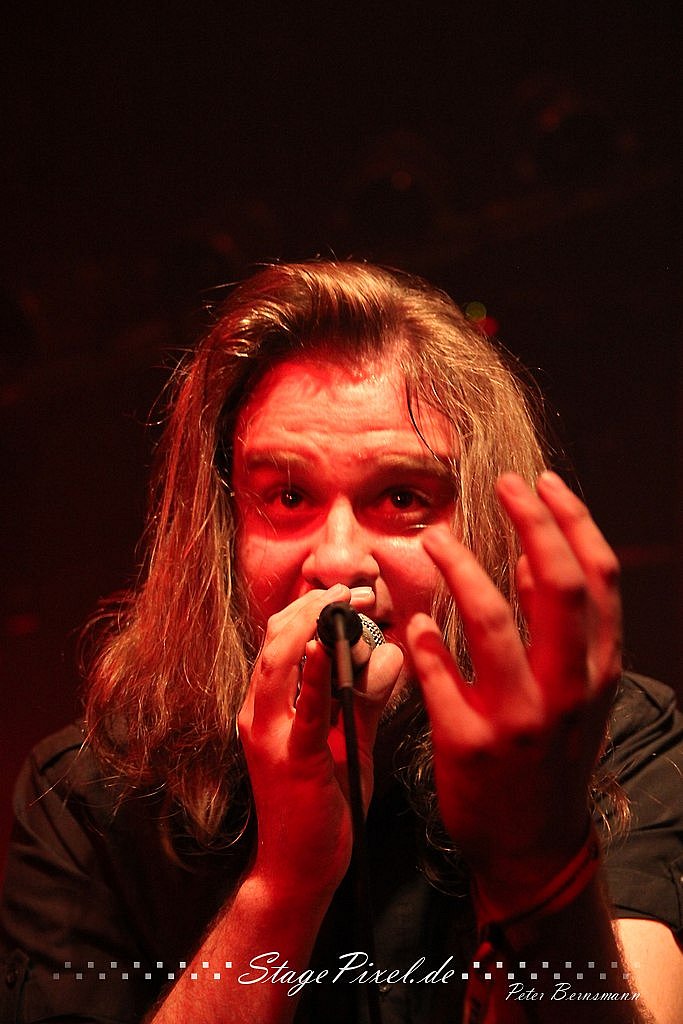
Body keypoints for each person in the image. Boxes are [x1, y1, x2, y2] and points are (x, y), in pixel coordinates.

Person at [1, 261, 682, 1024]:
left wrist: (537, 861)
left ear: (486, 521)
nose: (337, 560)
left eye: (401, 497)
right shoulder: (89, 791)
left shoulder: (613, 738)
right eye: (287, 496)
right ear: (221, 528)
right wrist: (284, 883)